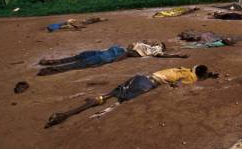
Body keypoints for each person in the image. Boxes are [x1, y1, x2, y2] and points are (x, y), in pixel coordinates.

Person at [45, 65, 214, 128]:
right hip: (147, 86)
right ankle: (81, 122)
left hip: (141, 77)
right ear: (201, 75)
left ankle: (66, 114)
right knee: (117, 106)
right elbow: (178, 85)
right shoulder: (191, 77)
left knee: (106, 96)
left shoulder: (183, 68)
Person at [38, 41, 187, 76]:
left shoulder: (155, 50)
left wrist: (178, 55)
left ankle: (53, 68)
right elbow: (130, 49)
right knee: (83, 56)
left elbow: (129, 53)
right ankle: (53, 63)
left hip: (114, 53)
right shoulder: (147, 44)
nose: (157, 43)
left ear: (160, 47)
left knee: (83, 61)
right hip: (114, 50)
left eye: (160, 44)